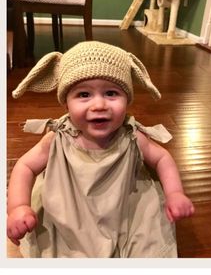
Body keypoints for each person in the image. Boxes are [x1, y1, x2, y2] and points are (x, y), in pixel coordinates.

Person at [7, 41, 194, 258]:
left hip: (125, 207)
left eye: (111, 93)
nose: (99, 105)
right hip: (69, 205)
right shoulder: (58, 138)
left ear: (127, 99)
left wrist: (175, 193)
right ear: (66, 103)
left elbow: (162, 158)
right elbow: (25, 166)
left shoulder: (132, 136)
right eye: (84, 95)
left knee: (147, 239)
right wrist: (18, 206)